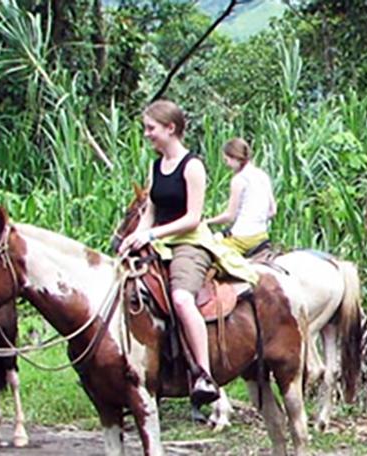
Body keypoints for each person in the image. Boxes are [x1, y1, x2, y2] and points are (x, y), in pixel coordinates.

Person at [116, 100, 248, 405]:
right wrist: (135, 237)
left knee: (181, 298)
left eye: (151, 128)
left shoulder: (192, 166)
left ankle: (203, 373)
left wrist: (151, 233)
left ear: (170, 128)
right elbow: (151, 210)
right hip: (158, 242)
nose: (147, 134)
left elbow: (192, 217)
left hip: (190, 242)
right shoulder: (156, 165)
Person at [204, 137, 275, 256]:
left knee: (209, 254)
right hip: (262, 236)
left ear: (234, 158)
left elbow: (229, 216)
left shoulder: (239, 179)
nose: (227, 164)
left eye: (226, 160)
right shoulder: (262, 175)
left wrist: (206, 222)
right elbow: (273, 211)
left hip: (242, 238)